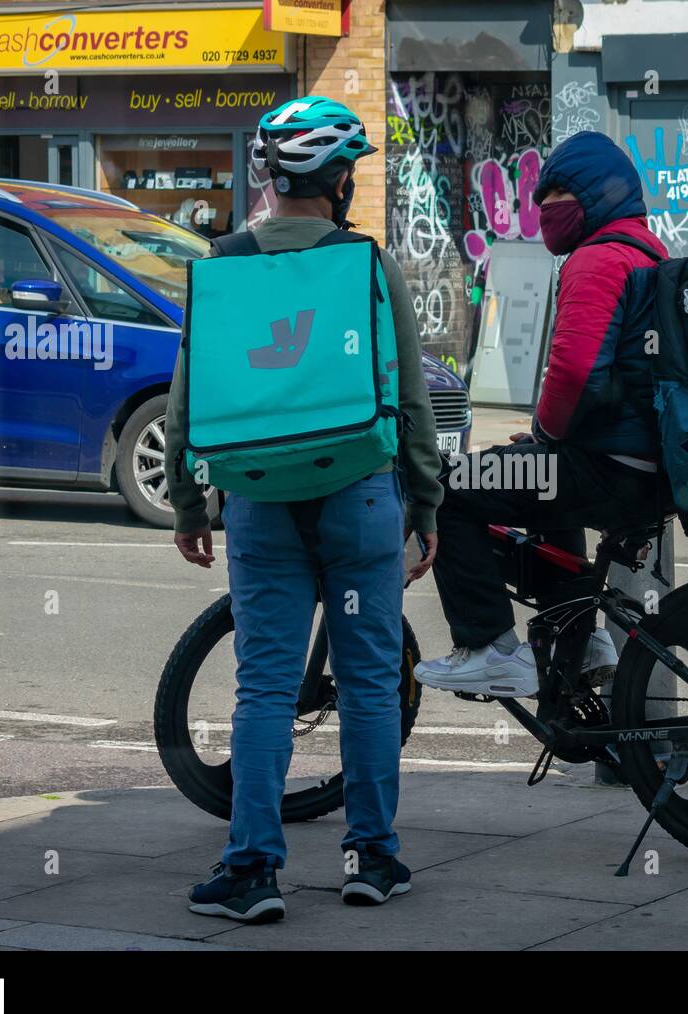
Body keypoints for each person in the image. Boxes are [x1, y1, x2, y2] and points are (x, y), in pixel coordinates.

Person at [163, 97, 443, 922]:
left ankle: (251, 870)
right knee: (365, 684)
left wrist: (188, 504)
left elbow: (186, 404)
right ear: (338, 181)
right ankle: (373, 857)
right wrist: (424, 502)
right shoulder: (365, 263)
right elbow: (412, 400)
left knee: (265, 690)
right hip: (360, 495)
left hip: (256, 499)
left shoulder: (221, 263)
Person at [415, 130, 670, 699]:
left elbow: (576, 373)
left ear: (593, 197)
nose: (541, 207)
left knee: (450, 488)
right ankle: (584, 638)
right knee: (541, 479)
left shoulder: (598, 261)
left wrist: (545, 431)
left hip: (611, 467)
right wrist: (546, 443)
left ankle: (489, 648)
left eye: (554, 193)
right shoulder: (648, 252)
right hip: (639, 467)